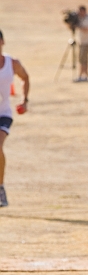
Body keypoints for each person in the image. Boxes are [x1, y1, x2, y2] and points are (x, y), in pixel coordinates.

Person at [0, 30, 30, 208]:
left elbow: (25, 78)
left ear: (2, 42)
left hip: (3, 114)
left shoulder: (12, 63)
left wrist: (24, 100)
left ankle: (0, 187)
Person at [74, 6, 88, 82]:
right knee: (82, 59)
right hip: (82, 42)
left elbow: (86, 29)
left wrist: (77, 25)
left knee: (83, 59)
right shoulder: (81, 19)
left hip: (87, 42)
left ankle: (83, 76)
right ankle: (85, 76)